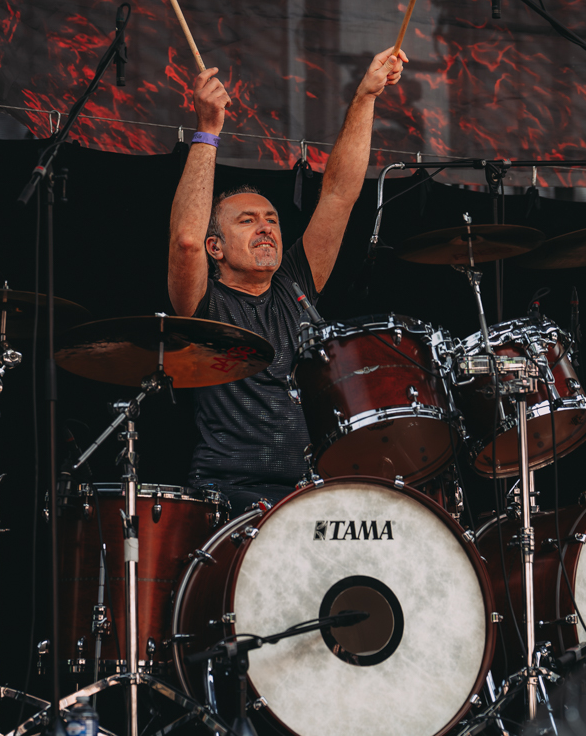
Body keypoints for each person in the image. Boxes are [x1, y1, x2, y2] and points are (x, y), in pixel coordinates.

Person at [167, 47, 407, 512]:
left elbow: (339, 195)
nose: (265, 228)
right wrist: (208, 130)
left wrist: (365, 96)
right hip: (230, 497)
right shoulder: (203, 304)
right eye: (247, 221)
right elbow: (186, 241)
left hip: (309, 493)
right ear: (217, 248)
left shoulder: (294, 282)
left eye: (272, 220)